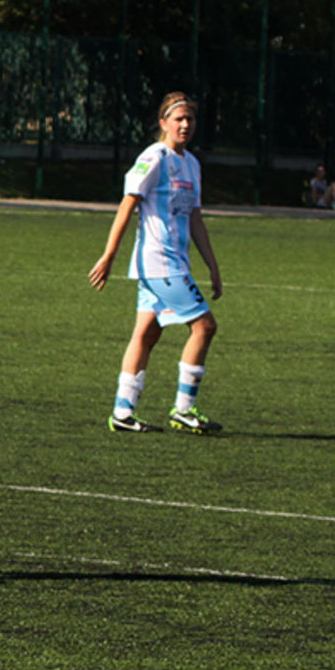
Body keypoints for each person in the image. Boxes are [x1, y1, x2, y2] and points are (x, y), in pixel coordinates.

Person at [89, 91, 224, 434]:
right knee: (205, 326)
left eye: (190, 119)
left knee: (146, 335)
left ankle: (122, 412)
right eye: (178, 118)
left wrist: (212, 265)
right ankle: (184, 408)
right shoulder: (154, 158)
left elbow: (195, 218)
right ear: (163, 123)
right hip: (159, 262)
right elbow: (127, 205)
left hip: (175, 262)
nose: (184, 124)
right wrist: (109, 255)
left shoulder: (192, 164)